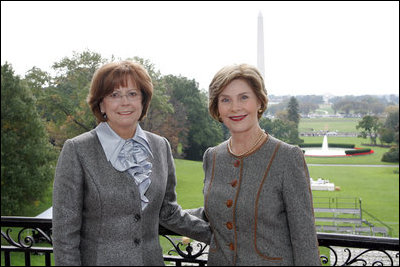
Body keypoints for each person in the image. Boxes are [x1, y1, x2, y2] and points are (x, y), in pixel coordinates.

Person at [52, 60, 211, 266]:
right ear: (101, 104)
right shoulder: (77, 150)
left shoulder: (160, 146)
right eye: (114, 95)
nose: (125, 102)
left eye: (132, 94)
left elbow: (168, 212)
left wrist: (217, 236)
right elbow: (65, 233)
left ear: (143, 101)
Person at [190, 64, 321, 265]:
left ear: (260, 101)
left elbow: (304, 240)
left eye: (244, 97)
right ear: (217, 107)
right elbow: (215, 212)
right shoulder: (212, 157)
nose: (235, 107)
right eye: (225, 100)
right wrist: (158, 211)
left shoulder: (287, 157)